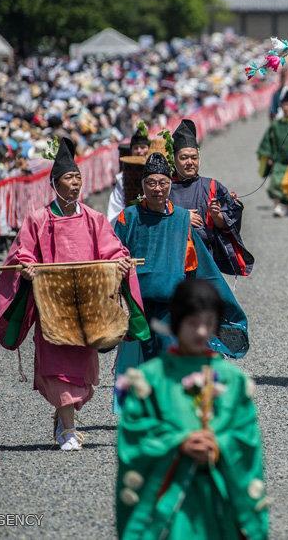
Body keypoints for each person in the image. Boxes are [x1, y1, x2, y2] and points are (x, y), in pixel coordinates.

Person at [0, 137, 144, 451]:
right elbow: (20, 254)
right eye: (68, 179)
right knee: (58, 367)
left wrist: (119, 262)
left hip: (86, 306)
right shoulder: (38, 219)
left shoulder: (94, 218)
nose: (74, 184)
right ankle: (68, 429)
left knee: (81, 368)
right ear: (54, 184)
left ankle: (65, 420)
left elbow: (112, 249)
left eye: (77, 178)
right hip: (53, 306)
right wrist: (27, 267)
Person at [116, 279, 268, 540]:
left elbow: (247, 436)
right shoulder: (150, 380)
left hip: (218, 493)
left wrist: (219, 443)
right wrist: (180, 442)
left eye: (208, 323)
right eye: (192, 323)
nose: (200, 332)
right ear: (176, 323)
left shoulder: (233, 380)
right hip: (169, 499)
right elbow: (134, 433)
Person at [113, 153, 248, 394]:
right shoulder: (128, 217)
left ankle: (171, 410)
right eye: (151, 183)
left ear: (169, 185)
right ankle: (149, 411)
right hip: (136, 306)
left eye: (163, 183)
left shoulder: (181, 219)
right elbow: (111, 252)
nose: (157, 189)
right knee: (142, 363)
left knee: (168, 357)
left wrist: (221, 304)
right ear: (143, 186)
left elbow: (200, 267)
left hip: (171, 305)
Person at [170, 119, 254, 276]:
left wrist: (218, 217)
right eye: (184, 158)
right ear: (174, 159)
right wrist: (181, 216)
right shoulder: (163, 188)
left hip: (206, 261)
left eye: (193, 157)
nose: (189, 162)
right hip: (172, 261)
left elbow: (229, 223)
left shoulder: (212, 186)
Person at [257, 93, 288, 217]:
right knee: (276, 184)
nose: (286, 107)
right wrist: (268, 156)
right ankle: (277, 206)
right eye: (284, 105)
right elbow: (267, 141)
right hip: (278, 161)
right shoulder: (275, 125)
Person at [106, 125, 152, 221]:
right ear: (131, 151)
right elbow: (115, 208)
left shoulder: (158, 172)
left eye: (143, 147)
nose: (139, 151)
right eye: (136, 148)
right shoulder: (122, 178)